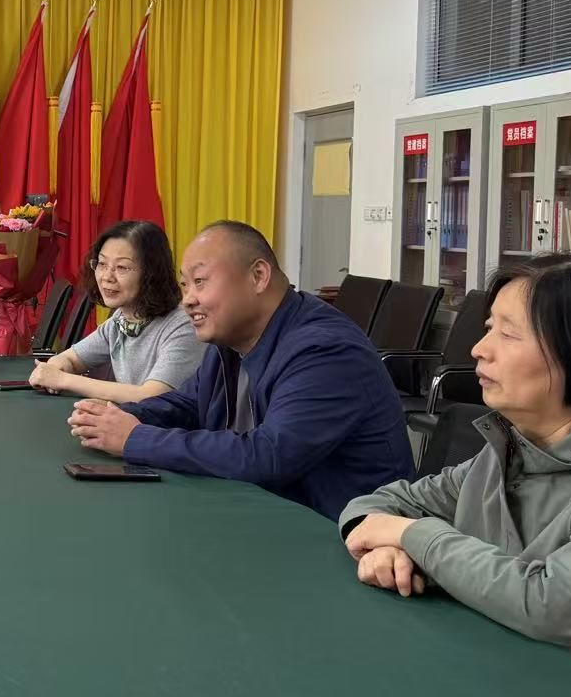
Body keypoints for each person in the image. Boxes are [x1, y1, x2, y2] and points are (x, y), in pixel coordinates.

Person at [339, 254, 571, 697]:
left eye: (509, 334)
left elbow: (553, 606)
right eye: (488, 327)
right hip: (501, 692)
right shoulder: (514, 448)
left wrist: (414, 538)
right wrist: (389, 549)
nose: (479, 349)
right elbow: (383, 505)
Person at [69, 221, 411, 519]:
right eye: (185, 285)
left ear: (258, 276)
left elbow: (269, 456)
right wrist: (114, 417)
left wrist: (135, 438)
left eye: (200, 281)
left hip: (345, 538)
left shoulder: (325, 350)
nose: (187, 299)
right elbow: (188, 404)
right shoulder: (231, 340)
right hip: (263, 513)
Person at [27, 220, 203, 402]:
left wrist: (63, 380)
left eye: (122, 267)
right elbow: (70, 359)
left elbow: (153, 396)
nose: (107, 277)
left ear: (151, 273)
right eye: (102, 264)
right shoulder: (122, 319)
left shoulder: (184, 325)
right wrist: (54, 368)